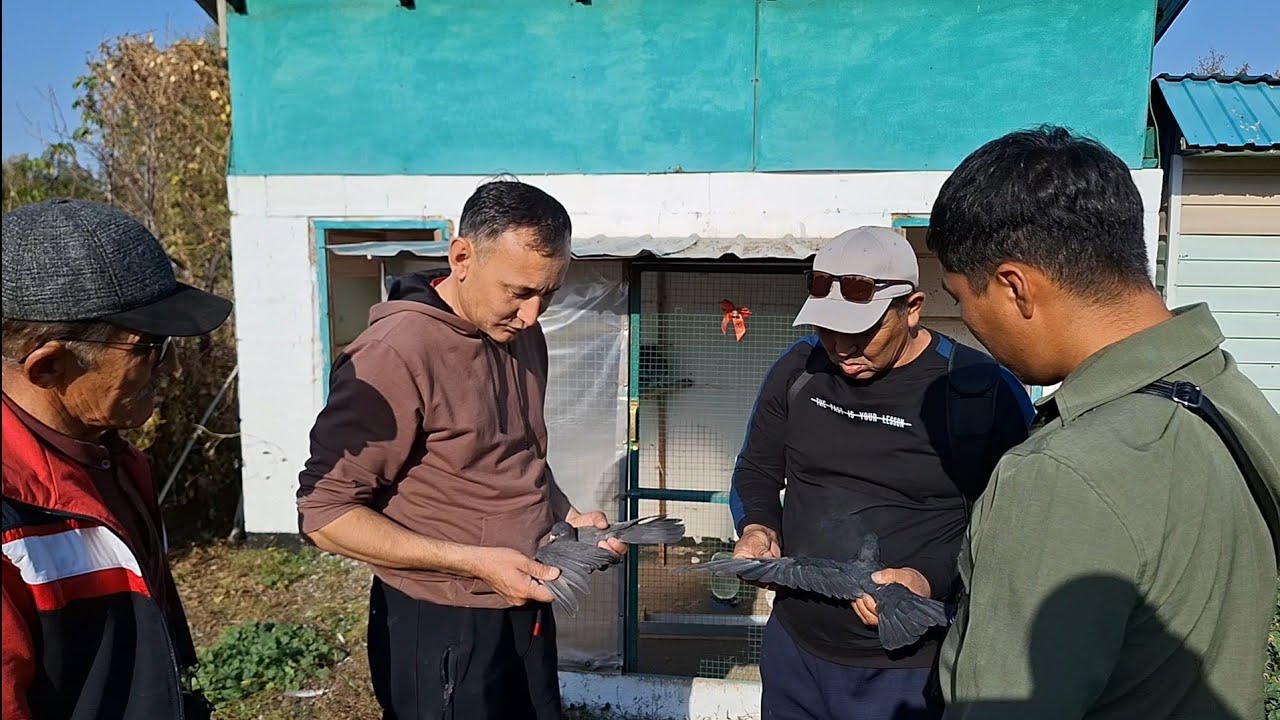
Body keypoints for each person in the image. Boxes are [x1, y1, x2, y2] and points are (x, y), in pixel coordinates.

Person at [928, 126, 1280, 720]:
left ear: (1015, 287)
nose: (966, 322)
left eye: (961, 297)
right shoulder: (1225, 391)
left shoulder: (1061, 473)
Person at [296, 180, 625, 720]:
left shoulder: (519, 333)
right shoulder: (395, 352)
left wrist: (568, 517)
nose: (534, 314)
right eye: (519, 292)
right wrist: (473, 562)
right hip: (441, 622)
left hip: (522, 601)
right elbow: (323, 515)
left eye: (551, 292)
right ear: (462, 257)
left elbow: (513, 455)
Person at [730, 226, 1035, 720]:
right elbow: (757, 469)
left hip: (908, 667)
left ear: (912, 308)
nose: (842, 348)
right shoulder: (798, 371)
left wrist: (927, 578)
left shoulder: (979, 393)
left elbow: (1013, 533)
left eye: (861, 332)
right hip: (795, 652)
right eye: (828, 330)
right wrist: (759, 526)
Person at [1, 198, 233, 719]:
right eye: (149, 347)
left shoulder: (114, 460)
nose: (168, 367)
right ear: (47, 366)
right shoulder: (13, 517)